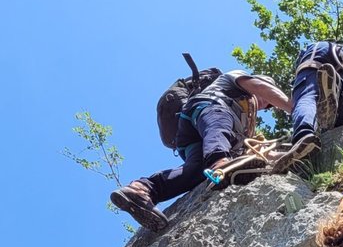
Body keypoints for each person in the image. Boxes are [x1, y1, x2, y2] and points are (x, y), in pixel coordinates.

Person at [110, 69, 292, 231]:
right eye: (269, 101)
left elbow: (260, 151)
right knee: (220, 122)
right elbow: (259, 88)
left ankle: (141, 190)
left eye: (269, 105)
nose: (268, 105)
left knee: (194, 172)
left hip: (194, 140)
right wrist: (294, 108)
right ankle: (221, 164)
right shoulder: (236, 79)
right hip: (208, 110)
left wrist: (291, 156)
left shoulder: (248, 124)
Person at [270, 41, 343, 174]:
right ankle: (338, 89)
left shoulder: (313, 47)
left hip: (317, 52)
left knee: (308, 95)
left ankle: (304, 135)